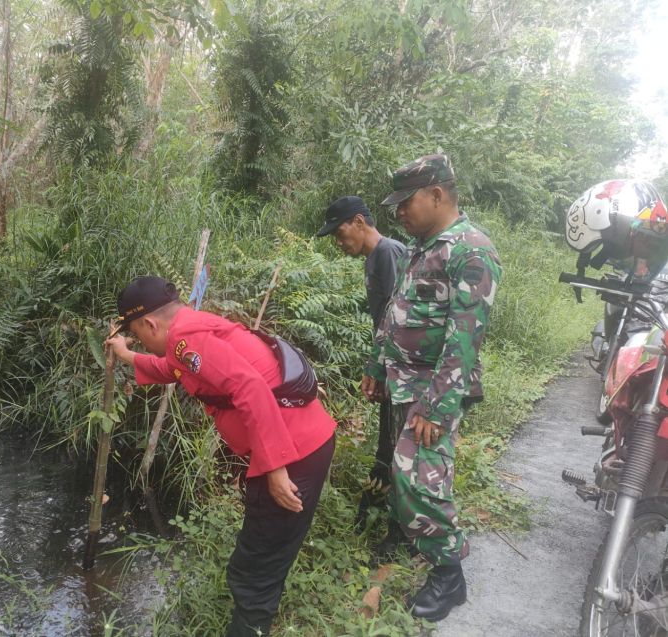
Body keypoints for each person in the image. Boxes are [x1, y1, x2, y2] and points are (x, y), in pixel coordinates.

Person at [105, 276, 337, 637]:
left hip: (291, 454)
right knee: (263, 556)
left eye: (138, 332)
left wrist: (275, 468)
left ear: (150, 323)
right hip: (303, 441)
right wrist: (128, 355)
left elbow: (250, 387)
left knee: (254, 569)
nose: (143, 338)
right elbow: (176, 369)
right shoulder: (192, 329)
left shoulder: (185, 340)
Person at [369, 154, 502, 622]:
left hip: (433, 390)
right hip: (405, 382)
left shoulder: (471, 250)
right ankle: (413, 542)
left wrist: (435, 407)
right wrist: (377, 363)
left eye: (406, 202)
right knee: (412, 473)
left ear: (437, 195)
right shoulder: (420, 245)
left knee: (416, 475)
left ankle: (449, 576)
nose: (399, 212)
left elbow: (463, 340)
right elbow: (395, 310)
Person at [315, 196, 405, 529]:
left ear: (358, 222)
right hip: (390, 367)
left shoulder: (387, 253)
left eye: (340, 234)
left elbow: (398, 318)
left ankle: (397, 527)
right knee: (387, 443)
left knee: (396, 446)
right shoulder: (374, 258)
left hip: (403, 370)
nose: (339, 243)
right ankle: (382, 516)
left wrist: (379, 369)